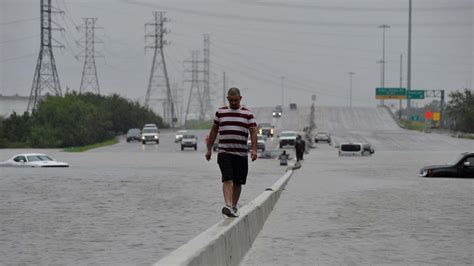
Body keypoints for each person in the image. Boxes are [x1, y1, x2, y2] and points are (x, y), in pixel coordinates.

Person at [205, 87, 257, 218]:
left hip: (241, 154)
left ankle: (233, 206)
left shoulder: (247, 114)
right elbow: (214, 131)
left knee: (238, 182)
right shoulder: (220, 113)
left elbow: (253, 132)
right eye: (231, 100)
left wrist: (254, 149)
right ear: (227, 99)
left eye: (236, 100)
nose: (234, 103)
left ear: (240, 98)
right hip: (224, 152)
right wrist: (209, 149)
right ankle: (228, 205)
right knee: (227, 178)